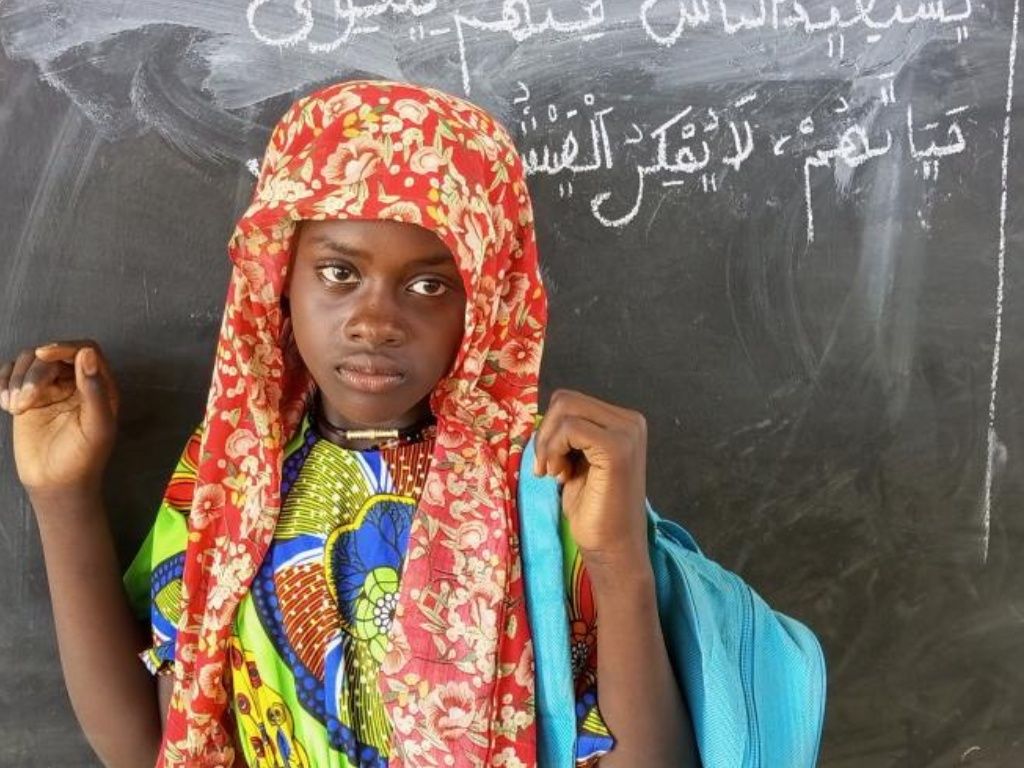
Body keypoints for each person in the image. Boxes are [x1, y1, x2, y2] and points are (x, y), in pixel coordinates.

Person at [1, 80, 822, 768]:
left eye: (430, 286)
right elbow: (150, 748)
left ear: (487, 302)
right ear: (278, 280)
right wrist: (62, 498)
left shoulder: (543, 484)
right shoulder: (232, 477)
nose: (375, 321)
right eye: (338, 272)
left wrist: (617, 559)